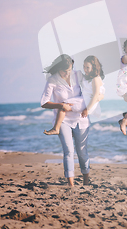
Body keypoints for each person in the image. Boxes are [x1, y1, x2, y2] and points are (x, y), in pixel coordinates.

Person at [40, 54, 103, 186]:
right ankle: (71, 184)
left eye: (70, 70)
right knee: (69, 151)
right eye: (65, 71)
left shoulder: (78, 75)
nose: (68, 73)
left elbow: (93, 87)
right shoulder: (52, 80)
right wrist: (61, 105)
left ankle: (86, 180)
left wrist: (99, 96)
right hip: (63, 120)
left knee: (82, 151)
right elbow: (44, 102)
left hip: (81, 118)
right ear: (58, 68)